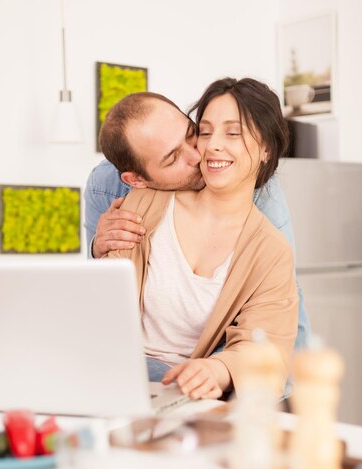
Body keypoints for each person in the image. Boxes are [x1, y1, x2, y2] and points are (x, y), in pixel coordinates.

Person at [97, 77, 299, 400]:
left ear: (266, 149)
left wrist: (217, 369)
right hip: (114, 371)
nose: (211, 145)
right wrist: (98, 247)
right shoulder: (143, 203)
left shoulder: (270, 251)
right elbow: (100, 300)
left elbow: (268, 348)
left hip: (177, 389)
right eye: (204, 132)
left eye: (233, 132)